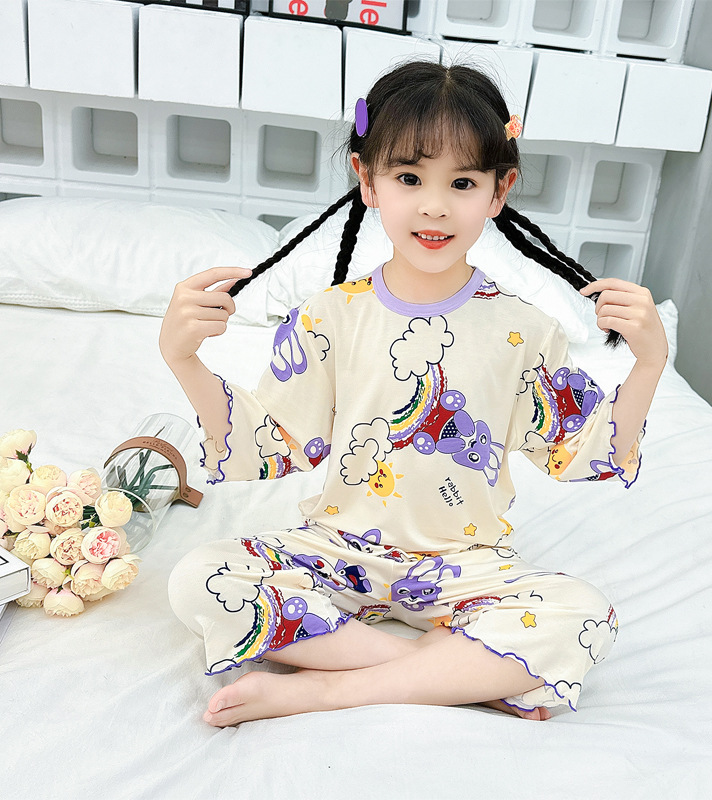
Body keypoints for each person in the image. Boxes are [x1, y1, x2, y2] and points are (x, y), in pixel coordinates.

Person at [161, 61, 668, 728]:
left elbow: (580, 450)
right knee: (198, 578)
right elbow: (272, 440)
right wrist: (183, 358)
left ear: (500, 190)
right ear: (366, 179)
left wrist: (650, 364)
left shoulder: (524, 329)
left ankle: (326, 689)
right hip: (338, 554)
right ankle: (455, 671)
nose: (434, 206)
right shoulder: (328, 316)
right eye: (409, 178)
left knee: (584, 616)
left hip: (467, 568)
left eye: (463, 182)